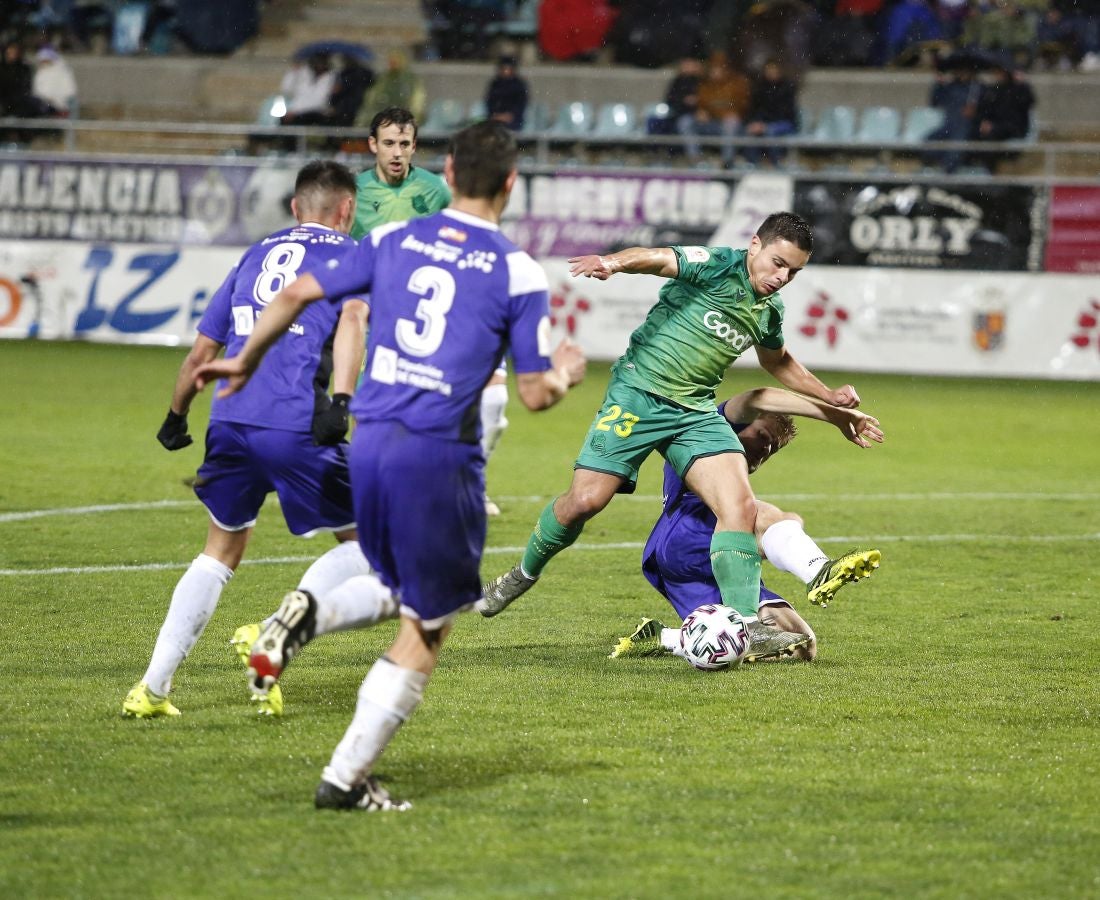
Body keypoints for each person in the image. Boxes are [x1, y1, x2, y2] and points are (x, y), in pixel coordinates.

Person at [192, 121, 587, 812]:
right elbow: (531, 393)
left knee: (397, 584)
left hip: (369, 439)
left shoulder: (391, 239)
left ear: (451, 173)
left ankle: (308, 620)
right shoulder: (517, 269)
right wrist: (565, 376)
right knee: (431, 622)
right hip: (440, 451)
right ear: (512, 182)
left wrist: (245, 358)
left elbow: (292, 296)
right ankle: (342, 773)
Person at [480, 212, 865, 660]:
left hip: (695, 412)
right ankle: (522, 575)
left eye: (793, 272)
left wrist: (830, 398)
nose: (782, 277)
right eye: (778, 263)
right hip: (638, 395)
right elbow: (660, 258)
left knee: (737, 505)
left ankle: (745, 624)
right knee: (585, 501)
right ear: (755, 245)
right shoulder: (718, 264)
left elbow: (777, 363)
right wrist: (614, 262)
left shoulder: (768, 311)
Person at [121, 161, 375, 720]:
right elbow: (354, 319)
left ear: (294, 207)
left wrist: (176, 414)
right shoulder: (350, 254)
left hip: (230, 418)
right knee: (372, 545)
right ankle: (269, 632)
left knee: (220, 550)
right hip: (296, 421)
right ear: (347, 209)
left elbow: (201, 353)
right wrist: (342, 401)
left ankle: (152, 689)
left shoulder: (255, 253)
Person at [609, 387, 884, 664]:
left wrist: (786, 530)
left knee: (802, 645)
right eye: (763, 435)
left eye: (772, 449)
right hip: (690, 531)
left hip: (691, 562)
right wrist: (834, 413)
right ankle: (817, 568)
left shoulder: (731, 483)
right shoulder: (710, 429)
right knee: (757, 513)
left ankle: (667, 638)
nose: (765, 448)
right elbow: (758, 397)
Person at [347, 106, 507, 515]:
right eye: (388, 144)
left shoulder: (435, 190)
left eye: (404, 144)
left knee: (456, 397)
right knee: (368, 403)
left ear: (415, 146)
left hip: (427, 312)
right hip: (375, 314)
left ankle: (465, 479)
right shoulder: (355, 194)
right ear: (372, 146)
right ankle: (368, 483)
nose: (397, 153)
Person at [678, 52, 750, 168]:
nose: (715, 72)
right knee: (685, 122)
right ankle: (695, 160)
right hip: (712, 123)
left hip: (734, 127)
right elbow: (702, 103)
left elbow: (742, 106)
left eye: (718, 68)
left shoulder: (738, 83)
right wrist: (700, 111)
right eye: (713, 68)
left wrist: (721, 112)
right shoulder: (705, 85)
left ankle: (727, 162)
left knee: (730, 123)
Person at [742, 59, 799, 166]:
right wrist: (754, 123)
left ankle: (776, 163)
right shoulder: (759, 88)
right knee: (749, 132)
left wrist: (764, 125)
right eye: (769, 70)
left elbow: (785, 112)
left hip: (785, 123)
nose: (771, 73)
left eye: (774, 70)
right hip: (764, 123)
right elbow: (754, 110)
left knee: (770, 132)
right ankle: (752, 163)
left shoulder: (787, 88)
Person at [357, 49, 426, 125]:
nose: (392, 63)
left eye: (396, 60)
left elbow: (417, 100)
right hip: (386, 116)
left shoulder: (410, 79)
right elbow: (372, 97)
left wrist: (411, 115)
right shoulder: (384, 78)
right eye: (391, 61)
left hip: (403, 117)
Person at [279, 52, 336, 127]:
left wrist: (296, 112)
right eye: (317, 62)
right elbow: (286, 90)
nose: (319, 65)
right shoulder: (305, 75)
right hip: (300, 111)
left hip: (316, 112)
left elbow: (320, 101)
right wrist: (294, 72)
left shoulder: (331, 77)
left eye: (322, 62)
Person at [29, 45, 77, 118]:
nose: (43, 63)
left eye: (45, 60)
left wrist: (54, 100)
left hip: (59, 105)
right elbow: (36, 91)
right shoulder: (40, 73)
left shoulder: (62, 71)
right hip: (43, 104)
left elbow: (70, 91)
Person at [484, 54, 529, 131]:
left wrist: (509, 115)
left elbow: (521, 103)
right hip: (496, 118)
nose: (506, 71)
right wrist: (495, 114)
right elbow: (490, 101)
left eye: (508, 68)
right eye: (504, 68)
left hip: (513, 119)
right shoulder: (495, 83)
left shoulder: (519, 85)